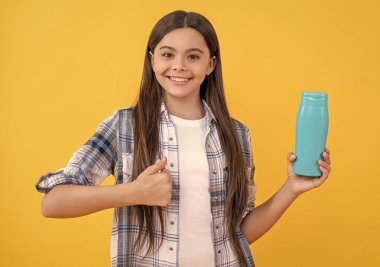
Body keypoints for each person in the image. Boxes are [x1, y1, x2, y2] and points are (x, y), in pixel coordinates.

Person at [35, 10, 331, 267]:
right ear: (152, 60)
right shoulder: (124, 125)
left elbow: (236, 236)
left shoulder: (237, 135)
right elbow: (53, 203)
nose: (179, 66)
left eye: (193, 56)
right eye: (167, 54)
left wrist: (291, 189)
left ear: (210, 65)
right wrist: (133, 192)